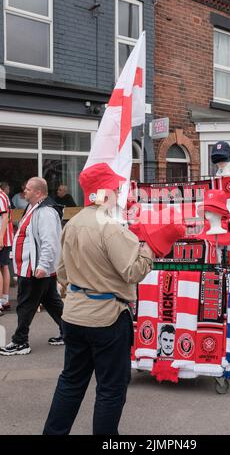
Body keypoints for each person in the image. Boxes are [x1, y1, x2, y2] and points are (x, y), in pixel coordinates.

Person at [43, 163, 154, 435]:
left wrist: (78, 291)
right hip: (108, 317)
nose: (118, 192)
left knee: (70, 383)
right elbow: (133, 271)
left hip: (75, 315)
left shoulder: (73, 223)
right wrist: (150, 249)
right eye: (115, 189)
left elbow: (62, 271)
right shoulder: (111, 226)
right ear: (104, 193)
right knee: (110, 389)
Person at [0, 177, 64, 355]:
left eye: (27, 189)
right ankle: (70, 333)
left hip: (35, 269)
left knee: (25, 305)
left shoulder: (45, 212)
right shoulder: (35, 207)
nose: (24, 191)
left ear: (38, 192)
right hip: (33, 268)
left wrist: (43, 265)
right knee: (52, 303)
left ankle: (20, 341)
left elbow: (49, 241)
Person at [0, 182, 14, 316]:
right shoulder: (4, 195)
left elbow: (4, 217)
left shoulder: (0, 196)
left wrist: (0, 237)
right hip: (6, 237)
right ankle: (4, 300)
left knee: (2, 267)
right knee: (4, 267)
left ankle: (0, 302)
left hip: (2, 237)